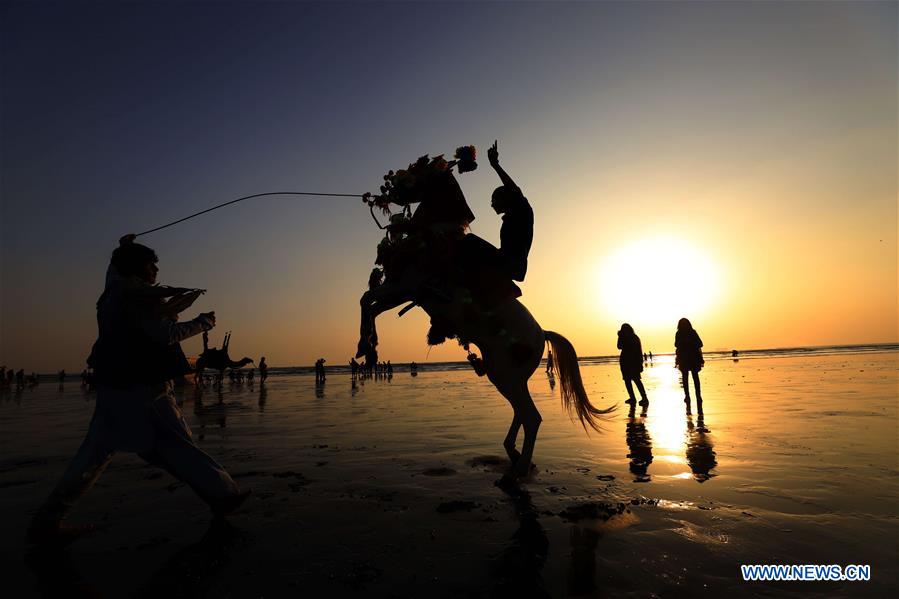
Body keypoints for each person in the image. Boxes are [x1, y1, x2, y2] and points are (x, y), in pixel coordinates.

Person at [29, 235, 248, 544]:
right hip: (143, 388)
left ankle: (49, 520)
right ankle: (222, 495)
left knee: (97, 454)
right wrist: (203, 323)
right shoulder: (139, 297)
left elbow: (113, 271)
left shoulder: (113, 290)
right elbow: (165, 336)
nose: (156, 269)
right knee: (176, 443)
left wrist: (124, 246)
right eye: (150, 264)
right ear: (136, 268)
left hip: (115, 384)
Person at [488, 140, 533, 283]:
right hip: (508, 263)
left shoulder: (522, 213)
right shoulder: (509, 220)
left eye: (493, 200)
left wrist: (495, 165)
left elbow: (514, 190)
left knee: (470, 241)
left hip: (513, 264)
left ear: (504, 198)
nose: (491, 205)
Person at [675, 318, 704, 411]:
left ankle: (688, 396)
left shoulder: (679, 333)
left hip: (685, 358)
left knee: (685, 377)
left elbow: (676, 345)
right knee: (694, 377)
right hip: (693, 358)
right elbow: (700, 344)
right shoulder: (692, 332)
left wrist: (684, 343)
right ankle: (698, 396)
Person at [617, 324, 649, 406]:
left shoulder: (634, 338)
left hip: (633, 362)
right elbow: (619, 346)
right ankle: (633, 398)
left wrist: (640, 362)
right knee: (628, 380)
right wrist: (620, 336)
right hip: (626, 361)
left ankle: (644, 398)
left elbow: (638, 350)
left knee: (636, 380)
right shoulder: (627, 337)